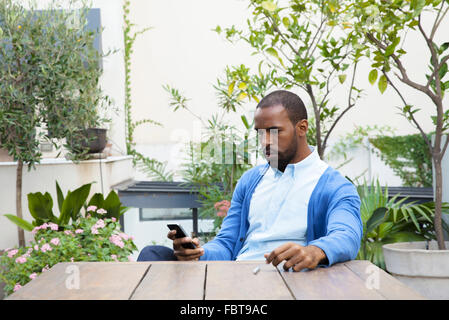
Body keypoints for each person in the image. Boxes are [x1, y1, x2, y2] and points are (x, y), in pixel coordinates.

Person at [137, 90, 362, 271]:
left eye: (274, 132)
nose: (265, 141)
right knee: (152, 254)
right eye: (260, 133)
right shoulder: (251, 181)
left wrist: (316, 250)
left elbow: (347, 235)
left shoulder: (334, 186)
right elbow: (226, 243)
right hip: (238, 276)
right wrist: (198, 253)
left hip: (290, 281)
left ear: (301, 128)